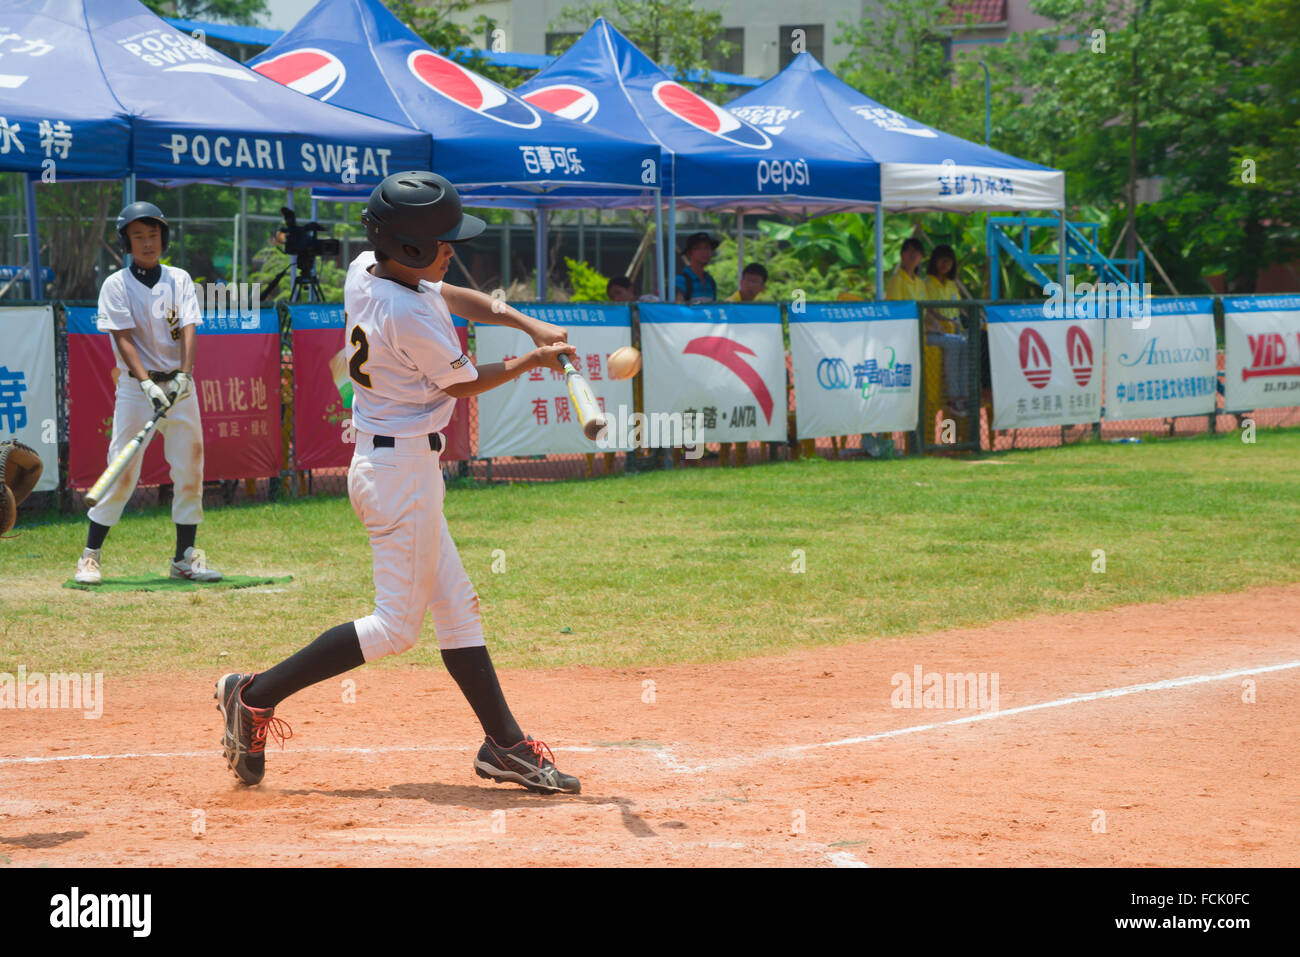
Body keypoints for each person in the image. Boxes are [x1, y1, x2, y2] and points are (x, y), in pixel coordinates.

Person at [215, 171, 582, 794]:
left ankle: (505, 745)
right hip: (398, 471)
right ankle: (254, 694)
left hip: (399, 466)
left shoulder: (368, 268)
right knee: (396, 628)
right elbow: (462, 383)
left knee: (457, 607)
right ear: (408, 250)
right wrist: (533, 360)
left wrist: (526, 323)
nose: (452, 250)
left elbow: (448, 292)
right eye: (441, 242)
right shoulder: (408, 314)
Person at [73, 202, 221, 586]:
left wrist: (184, 377)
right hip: (138, 389)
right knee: (122, 471)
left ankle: (184, 559)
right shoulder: (116, 284)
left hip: (181, 388)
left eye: (153, 234)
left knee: (191, 470)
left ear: (163, 238)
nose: (147, 242)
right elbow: (122, 339)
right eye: (138, 235)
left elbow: (190, 326)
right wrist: (147, 384)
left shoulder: (179, 279)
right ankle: (90, 557)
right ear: (125, 241)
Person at [922, 244, 970, 414]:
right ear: (934, 261)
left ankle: (964, 396)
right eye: (941, 260)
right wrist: (946, 321)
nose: (944, 265)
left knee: (967, 344)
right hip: (937, 332)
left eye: (948, 261)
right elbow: (929, 310)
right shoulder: (927, 284)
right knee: (956, 344)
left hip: (954, 330)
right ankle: (954, 397)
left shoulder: (951, 284)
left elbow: (958, 308)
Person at [674, 231, 720, 303]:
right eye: (698, 248)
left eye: (707, 248)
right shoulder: (680, 281)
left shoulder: (711, 282)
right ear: (689, 253)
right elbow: (677, 309)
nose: (705, 252)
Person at [885, 237, 927, 302]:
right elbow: (895, 309)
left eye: (917, 251)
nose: (913, 254)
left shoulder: (921, 283)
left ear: (921, 257)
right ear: (902, 254)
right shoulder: (896, 280)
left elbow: (925, 309)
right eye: (910, 250)